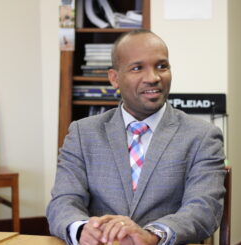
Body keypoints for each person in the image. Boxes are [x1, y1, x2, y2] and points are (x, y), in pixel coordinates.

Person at [47, 29, 226, 245]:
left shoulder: (202, 136)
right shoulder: (82, 133)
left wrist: (151, 235)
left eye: (162, 66)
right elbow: (63, 201)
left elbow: (204, 209)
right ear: (114, 79)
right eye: (137, 68)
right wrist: (83, 230)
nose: (153, 78)